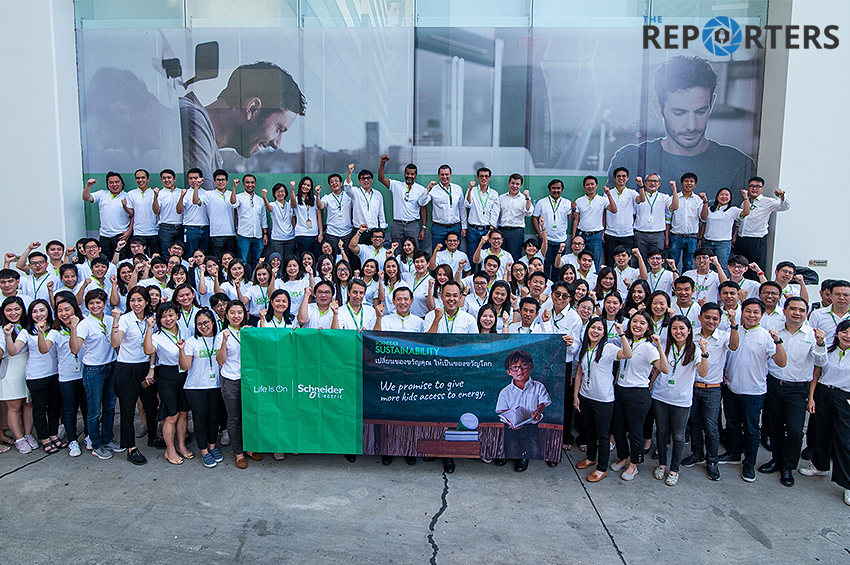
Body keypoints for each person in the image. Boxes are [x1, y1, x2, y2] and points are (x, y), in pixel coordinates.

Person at [607, 55, 756, 195]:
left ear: (712, 104)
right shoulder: (629, 161)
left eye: (700, 111)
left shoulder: (738, 166)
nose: (691, 126)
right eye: (679, 113)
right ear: (658, 108)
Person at [180, 61, 306, 190]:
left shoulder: (210, 149)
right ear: (252, 109)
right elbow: (203, 201)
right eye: (279, 129)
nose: (276, 144)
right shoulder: (194, 122)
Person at [758, 297, 826, 487]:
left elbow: (821, 362)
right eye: (793, 309)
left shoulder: (812, 335)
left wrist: (821, 343)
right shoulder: (773, 332)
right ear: (785, 311)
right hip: (774, 384)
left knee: (795, 431)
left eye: (801, 310)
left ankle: (788, 467)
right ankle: (776, 460)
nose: (797, 313)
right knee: (775, 426)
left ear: (806, 314)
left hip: (798, 388)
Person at [721, 298, 787, 483]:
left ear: (762, 315)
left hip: (754, 391)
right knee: (732, 423)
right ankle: (733, 453)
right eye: (748, 311)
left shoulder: (766, 336)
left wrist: (778, 341)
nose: (751, 315)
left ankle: (749, 462)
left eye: (756, 312)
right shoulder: (733, 331)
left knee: (751, 429)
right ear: (741, 312)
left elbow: (781, 362)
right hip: (731, 387)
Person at [681, 303, 738, 481]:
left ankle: (712, 460)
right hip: (692, 386)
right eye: (707, 317)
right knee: (694, 422)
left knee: (711, 427)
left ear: (720, 321)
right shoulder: (692, 334)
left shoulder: (724, 336)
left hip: (712, 389)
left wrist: (733, 324)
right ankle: (697, 453)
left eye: (715, 319)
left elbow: (734, 346)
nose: (711, 321)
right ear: (700, 317)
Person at [610, 311, 668, 481]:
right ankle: (624, 456)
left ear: (648, 327)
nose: (637, 325)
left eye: (642, 323)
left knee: (635, 431)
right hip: (620, 390)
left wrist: (659, 347)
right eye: (634, 321)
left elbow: (664, 369)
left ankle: (634, 463)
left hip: (637, 393)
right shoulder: (626, 341)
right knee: (618, 428)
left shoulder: (649, 347)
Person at [652, 316, 709, 486]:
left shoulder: (695, 350)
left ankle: (674, 469)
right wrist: (651, 385)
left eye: (682, 328)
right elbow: (658, 369)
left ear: (689, 331)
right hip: (661, 396)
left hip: (681, 400)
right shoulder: (665, 346)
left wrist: (705, 352)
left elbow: (703, 373)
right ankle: (662, 464)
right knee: (661, 432)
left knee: (678, 436)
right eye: (674, 328)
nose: (678, 332)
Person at [573, 317, 632, 482]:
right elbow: (579, 372)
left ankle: (602, 468)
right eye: (593, 327)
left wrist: (621, 334)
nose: (595, 331)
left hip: (603, 399)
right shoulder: (584, 347)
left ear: (604, 333)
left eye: (599, 329)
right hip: (585, 396)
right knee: (589, 430)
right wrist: (576, 395)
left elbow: (628, 354)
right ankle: (591, 457)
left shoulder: (608, 348)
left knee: (603, 435)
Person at [111, 287, 163, 465]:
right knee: (127, 409)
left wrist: (152, 368)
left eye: (140, 300)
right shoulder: (125, 319)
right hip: (127, 369)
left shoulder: (151, 319)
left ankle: (152, 437)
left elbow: (153, 347)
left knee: (151, 405)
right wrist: (115, 321)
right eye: (132, 300)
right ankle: (131, 447)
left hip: (146, 367)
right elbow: (115, 342)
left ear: (147, 301)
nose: (136, 304)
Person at [68, 289, 122, 460]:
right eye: (91, 303)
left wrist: (116, 319)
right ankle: (96, 444)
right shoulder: (84, 324)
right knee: (94, 410)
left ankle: (108, 438)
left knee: (110, 406)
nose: (95, 306)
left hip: (111, 365)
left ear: (105, 304)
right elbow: (75, 349)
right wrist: (73, 327)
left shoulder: (110, 319)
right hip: (94, 369)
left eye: (98, 302)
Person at [5, 299, 62, 454]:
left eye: (42, 310)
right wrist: (8, 336)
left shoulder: (54, 329)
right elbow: (13, 351)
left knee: (54, 407)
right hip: (36, 376)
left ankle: (53, 434)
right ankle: (44, 438)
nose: (38, 314)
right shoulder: (26, 332)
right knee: (39, 409)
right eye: (34, 311)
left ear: (48, 311)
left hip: (55, 374)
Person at [804, 319, 850, 506]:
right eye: (844, 331)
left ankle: (847, 484)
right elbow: (816, 374)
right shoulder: (827, 352)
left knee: (844, 440)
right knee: (821, 432)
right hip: (823, 393)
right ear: (837, 333)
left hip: (845, 397)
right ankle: (819, 466)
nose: (847, 336)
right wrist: (811, 397)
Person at [144, 302, 193, 465]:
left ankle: (181, 445)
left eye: (171, 315)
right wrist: (149, 328)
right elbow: (148, 350)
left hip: (185, 374)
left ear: (177, 315)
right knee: (171, 416)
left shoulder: (185, 330)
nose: (168, 319)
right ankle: (170, 450)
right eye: (163, 316)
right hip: (168, 376)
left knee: (183, 413)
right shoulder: (157, 336)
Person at [177, 308, 225, 469]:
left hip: (216, 385)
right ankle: (204, 451)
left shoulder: (219, 339)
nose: (203, 327)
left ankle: (212, 446)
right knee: (200, 419)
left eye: (206, 323)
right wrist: (181, 350)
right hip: (195, 387)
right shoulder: (191, 342)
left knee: (214, 418)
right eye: (199, 324)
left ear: (213, 322)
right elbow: (185, 366)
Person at [216, 301, 259, 469]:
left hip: (249, 380)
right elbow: (221, 361)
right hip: (231, 380)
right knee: (234, 418)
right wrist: (224, 342)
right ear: (227, 315)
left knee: (249, 415)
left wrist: (252, 334)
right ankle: (238, 452)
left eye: (239, 312)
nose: (236, 316)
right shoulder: (222, 334)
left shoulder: (249, 331)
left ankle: (249, 448)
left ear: (244, 314)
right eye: (232, 312)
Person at [496, 350, 552, 473]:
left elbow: (543, 403)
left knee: (533, 448)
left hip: (530, 427)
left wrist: (538, 411)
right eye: (514, 368)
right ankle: (506, 456)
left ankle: (524, 459)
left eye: (524, 365)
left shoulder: (538, 386)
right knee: (511, 447)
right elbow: (503, 410)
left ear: (531, 366)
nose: (520, 370)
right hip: (511, 427)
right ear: (508, 372)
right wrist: (511, 422)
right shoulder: (505, 392)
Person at [733, 176, 791, 271]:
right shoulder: (744, 203)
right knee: (740, 267)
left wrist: (782, 195)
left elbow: (784, 207)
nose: (754, 188)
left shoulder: (768, 201)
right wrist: (735, 236)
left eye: (757, 186)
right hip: (742, 239)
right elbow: (739, 221)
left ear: (762, 188)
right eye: (751, 186)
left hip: (756, 240)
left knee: (755, 268)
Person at [0, 297, 34, 454]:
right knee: (14, 407)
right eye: (9, 310)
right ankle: (19, 438)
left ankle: (28, 434)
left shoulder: (28, 326)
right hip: (11, 369)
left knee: (28, 404)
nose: (13, 313)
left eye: (17, 309)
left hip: (29, 367)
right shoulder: (2, 329)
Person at [377, 155, 427, 248]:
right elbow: (381, 178)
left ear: (415, 175)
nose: (409, 176)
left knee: (413, 250)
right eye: (407, 173)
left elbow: (423, 208)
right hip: (397, 225)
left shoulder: (421, 190)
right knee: (396, 250)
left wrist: (423, 227)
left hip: (412, 225)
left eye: (412, 174)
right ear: (404, 173)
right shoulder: (396, 185)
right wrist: (383, 163)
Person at [698, 188, 750, 274]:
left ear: (730, 198)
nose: (724, 197)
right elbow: (704, 219)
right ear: (717, 197)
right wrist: (705, 202)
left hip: (723, 243)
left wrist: (745, 197)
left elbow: (746, 212)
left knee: (721, 267)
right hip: (707, 242)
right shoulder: (710, 209)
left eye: (727, 195)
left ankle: (723, 283)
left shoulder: (733, 210)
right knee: (706, 267)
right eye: (722, 194)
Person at [82, 174, 132, 259]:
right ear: (107, 184)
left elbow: (133, 215)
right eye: (111, 182)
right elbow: (86, 197)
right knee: (104, 261)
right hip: (104, 235)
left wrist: (129, 232)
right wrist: (88, 186)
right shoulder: (102, 194)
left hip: (121, 235)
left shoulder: (128, 196)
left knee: (122, 261)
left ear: (122, 183)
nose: (114, 184)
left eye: (117, 182)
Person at [571, 176, 616, 267]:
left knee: (595, 262)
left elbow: (614, 210)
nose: (590, 186)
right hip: (582, 235)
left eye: (592, 184)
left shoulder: (603, 200)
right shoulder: (579, 201)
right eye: (587, 184)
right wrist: (573, 237)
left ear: (596, 185)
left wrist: (609, 195)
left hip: (595, 236)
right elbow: (576, 220)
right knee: (580, 261)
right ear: (584, 186)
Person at [533, 179, 572, 279]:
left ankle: (556, 285)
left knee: (557, 266)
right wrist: (540, 235)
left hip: (561, 240)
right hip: (546, 240)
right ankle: (544, 283)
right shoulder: (542, 202)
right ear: (549, 189)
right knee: (545, 264)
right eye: (553, 188)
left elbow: (572, 218)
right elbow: (535, 218)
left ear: (562, 189)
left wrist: (574, 209)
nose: (556, 190)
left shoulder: (567, 203)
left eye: (558, 188)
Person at [421, 165, 465, 252]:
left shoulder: (457, 189)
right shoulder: (434, 189)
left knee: (455, 252)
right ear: (439, 175)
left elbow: (462, 208)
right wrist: (428, 188)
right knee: (437, 253)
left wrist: (464, 227)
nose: (445, 177)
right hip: (439, 228)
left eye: (447, 174)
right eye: (442, 174)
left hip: (455, 227)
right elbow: (422, 203)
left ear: (450, 174)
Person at [634, 174, 679, 259]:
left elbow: (675, 207)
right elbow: (640, 200)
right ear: (645, 183)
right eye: (650, 181)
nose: (652, 183)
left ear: (659, 184)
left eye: (655, 181)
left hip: (657, 234)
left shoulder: (664, 197)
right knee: (640, 259)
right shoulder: (638, 196)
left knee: (656, 260)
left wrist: (674, 189)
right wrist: (641, 185)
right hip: (641, 233)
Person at [602, 168, 639, 267]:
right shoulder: (608, 193)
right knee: (609, 262)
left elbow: (641, 199)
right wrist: (603, 229)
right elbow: (604, 212)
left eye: (623, 176)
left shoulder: (632, 193)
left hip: (627, 234)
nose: (621, 178)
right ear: (614, 178)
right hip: (611, 233)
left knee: (626, 263)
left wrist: (641, 186)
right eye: (618, 176)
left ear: (627, 178)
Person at [666, 174, 702, 273]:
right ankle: (672, 282)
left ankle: (686, 282)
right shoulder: (674, 197)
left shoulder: (698, 200)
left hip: (692, 237)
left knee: (688, 264)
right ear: (681, 183)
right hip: (676, 236)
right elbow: (668, 219)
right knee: (672, 263)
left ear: (695, 184)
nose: (689, 183)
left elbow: (703, 219)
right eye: (686, 181)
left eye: (691, 181)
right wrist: (667, 237)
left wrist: (699, 238)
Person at [232, 174, 268, 269]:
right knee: (243, 260)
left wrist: (265, 233)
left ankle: (255, 277)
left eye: (252, 182)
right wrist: (234, 188)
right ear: (243, 184)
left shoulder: (260, 200)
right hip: (243, 234)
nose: (250, 185)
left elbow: (263, 217)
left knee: (257, 261)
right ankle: (242, 278)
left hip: (258, 235)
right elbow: (233, 203)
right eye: (247, 182)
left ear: (255, 184)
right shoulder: (239, 197)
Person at [465, 168, 501, 261]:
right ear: (478, 177)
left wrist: (491, 229)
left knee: (487, 256)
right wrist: (470, 189)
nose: (484, 178)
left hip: (487, 230)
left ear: (489, 178)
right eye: (481, 176)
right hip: (473, 229)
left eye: (486, 176)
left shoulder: (494, 193)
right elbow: (467, 204)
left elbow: (495, 211)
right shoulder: (472, 191)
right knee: (472, 256)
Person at [497, 173, 533, 262]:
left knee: (515, 256)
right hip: (502, 230)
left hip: (516, 232)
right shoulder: (501, 197)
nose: (515, 186)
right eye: (513, 183)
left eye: (517, 184)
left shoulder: (524, 198)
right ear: (509, 183)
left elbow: (528, 213)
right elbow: (496, 214)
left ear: (521, 185)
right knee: (500, 256)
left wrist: (528, 198)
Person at [320, 173, 355, 261]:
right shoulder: (327, 197)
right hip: (332, 233)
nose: (334, 183)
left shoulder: (348, 195)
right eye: (331, 182)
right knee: (332, 257)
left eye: (336, 181)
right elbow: (320, 206)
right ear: (329, 185)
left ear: (341, 183)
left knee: (347, 257)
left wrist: (349, 172)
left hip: (347, 232)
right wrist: (317, 195)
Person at [124, 169, 159, 254]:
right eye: (138, 178)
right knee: (139, 257)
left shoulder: (155, 192)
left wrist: (155, 196)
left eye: (143, 177)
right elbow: (132, 214)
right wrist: (124, 206)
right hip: (138, 232)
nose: (140, 180)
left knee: (155, 257)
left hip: (154, 231)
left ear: (148, 179)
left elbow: (157, 211)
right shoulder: (131, 194)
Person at [344, 164, 387, 232]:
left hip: (374, 231)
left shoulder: (378, 194)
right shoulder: (355, 192)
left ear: (372, 180)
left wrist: (382, 227)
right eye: (363, 179)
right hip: (359, 230)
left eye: (368, 178)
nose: (366, 180)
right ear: (359, 181)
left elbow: (381, 213)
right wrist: (349, 172)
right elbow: (347, 188)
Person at [152, 169, 184, 255]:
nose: (166, 180)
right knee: (166, 253)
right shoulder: (160, 193)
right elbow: (156, 211)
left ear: (174, 179)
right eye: (164, 178)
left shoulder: (181, 192)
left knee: (180, 253)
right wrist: (155, 196)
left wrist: (182, 195)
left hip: (181, 227)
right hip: (166, 228)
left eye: (169, 177)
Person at [262, 183, 296, 262]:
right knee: (278, 261)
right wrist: (264, 197)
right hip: (277, 239)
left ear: (285, 193)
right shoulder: (273, 205)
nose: (280, 193)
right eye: (277, 191)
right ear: (274, 194)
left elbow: (293, 218)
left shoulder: (289, 205)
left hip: (290, 238)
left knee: (288, 261)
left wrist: (292, 190)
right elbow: (269, 208)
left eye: (282, 191)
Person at [179, 168, 210, 256]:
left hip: (206, 227)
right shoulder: (185, 193)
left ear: (201, 179)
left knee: (204, 255)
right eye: (190, 178)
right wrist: (181, 197)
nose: (193, 180)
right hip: (191, 228)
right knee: (191, 255)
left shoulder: (207, 193)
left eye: (195, 178)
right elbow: (179, 210)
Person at [290, 177, 323, 258]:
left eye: (308, 185)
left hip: (314, 234)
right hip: (302, 234)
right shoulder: (296, 199)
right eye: (304, 184)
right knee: (304, 259)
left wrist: (321, 233)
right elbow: (293, 205)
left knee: (314, 259)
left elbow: (319, 213)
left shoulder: (314, 198)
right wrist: (292, 190)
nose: (305, 187)